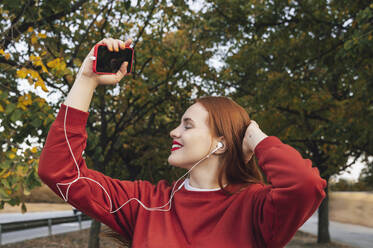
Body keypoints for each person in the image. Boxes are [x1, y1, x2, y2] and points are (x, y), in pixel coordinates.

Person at [38, 38, 327, 248]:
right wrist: (86, 80)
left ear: (221, 144)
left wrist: (257, 139)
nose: (174, 132)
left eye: (187, 125)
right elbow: (60, 173)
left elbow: (305, 185)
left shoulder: (255, 207)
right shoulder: (145, 202)